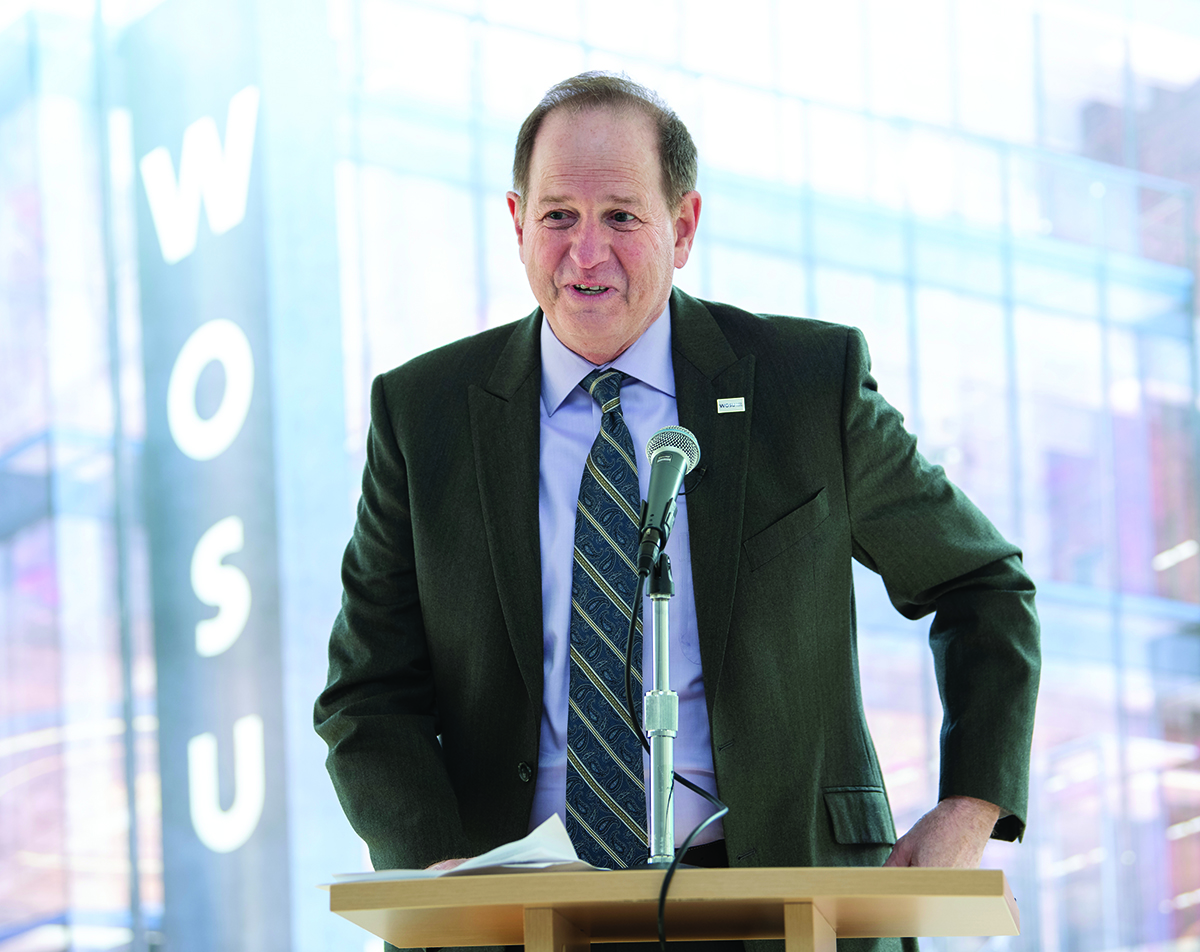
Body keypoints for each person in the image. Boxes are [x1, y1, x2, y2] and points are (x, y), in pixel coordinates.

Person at [314, 72, 1040, 951]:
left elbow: (982, 584)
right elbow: (366, 692)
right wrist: (433, 868)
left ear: (683, 226)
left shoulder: (807, 387)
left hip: (787, 901)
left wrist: (972, 803)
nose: (586, 254)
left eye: (621, 216)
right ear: (516, 224)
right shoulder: (423, 415)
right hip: (513, 916)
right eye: (557, 218)